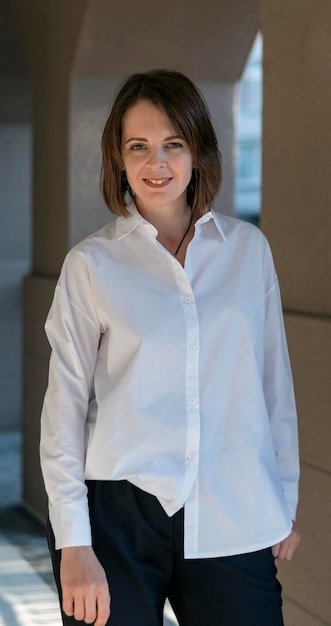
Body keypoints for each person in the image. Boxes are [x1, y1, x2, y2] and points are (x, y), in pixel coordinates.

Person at [40, 69, 300, 626]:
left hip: (232, 506)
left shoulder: (248, 251)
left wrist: (283, 500)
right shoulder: (91, 265)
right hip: (116, 514)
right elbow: (63, 409)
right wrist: (74, 546)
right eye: (139, 147)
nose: (156, 164)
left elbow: (273, 384)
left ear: (198, 151)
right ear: (119, 159)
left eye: (172, 144)